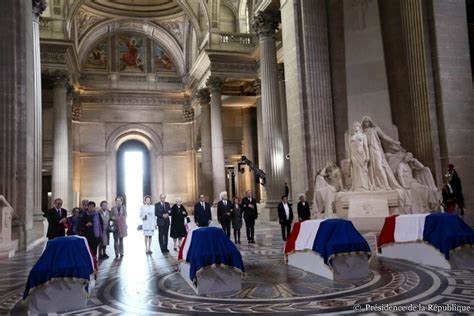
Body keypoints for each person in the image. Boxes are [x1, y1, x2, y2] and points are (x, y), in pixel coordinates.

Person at [349, 121, 370, 191]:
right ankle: (357, 186)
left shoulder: (363, 135)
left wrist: (367, 156)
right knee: (356, 170)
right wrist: (349, 157)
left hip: (362, 154)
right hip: (354, 155)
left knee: (363, 170)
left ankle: (364, 186)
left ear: (359, 127)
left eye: (356, 126)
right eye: (354, 126)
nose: (355, 128)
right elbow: (350, 148)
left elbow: (366, 146)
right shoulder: (351, 137)